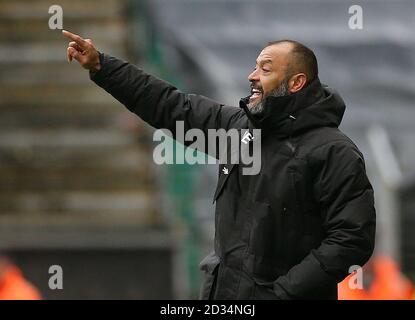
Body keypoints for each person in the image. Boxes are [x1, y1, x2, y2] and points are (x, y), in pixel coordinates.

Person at [63, 30, 376, 300]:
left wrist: (284, 293)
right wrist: (102, 66)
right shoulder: (237, 129)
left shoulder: (335, 152)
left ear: (296, 82)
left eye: (265, 69)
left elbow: (352, 239)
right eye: (254, 67)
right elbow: (171, 106)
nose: (252, 76)